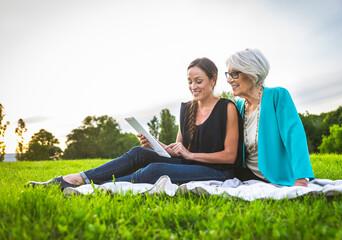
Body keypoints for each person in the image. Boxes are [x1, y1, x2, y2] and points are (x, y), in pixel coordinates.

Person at [27, 57, 243, 189]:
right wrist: (156, 144)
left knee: (155, 170)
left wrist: (190, 155)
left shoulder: (227, 108)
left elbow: (230, 156)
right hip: (190, 164)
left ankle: (94, 187)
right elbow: (177, 150)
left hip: (218, 171)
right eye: (189, 81)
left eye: (198, 81)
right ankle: (76, 178)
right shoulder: (187, 108)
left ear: (213, 80)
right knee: (138, 153)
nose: (193, 86)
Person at [225, 48, 315, 187]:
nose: (229, 80)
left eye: (234, 74)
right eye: (228, 74)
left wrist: (301, 179)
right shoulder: (239, 105)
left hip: (277, 176)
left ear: (252, 73)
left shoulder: (278, 96)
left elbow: (294, 137)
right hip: (248, 175)